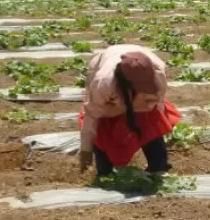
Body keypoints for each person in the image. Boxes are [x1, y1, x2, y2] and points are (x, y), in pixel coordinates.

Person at [77, 44, 181, 177]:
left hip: (133, 84)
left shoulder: (158, 73)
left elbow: (158, 107)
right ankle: (105, 172)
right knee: (105, 126)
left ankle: (158, 166)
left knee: (149, 122)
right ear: (125, 85)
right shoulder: (103, 83)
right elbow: (92, 117)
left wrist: (153, 120)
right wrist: (86, 151)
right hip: (106, 72)